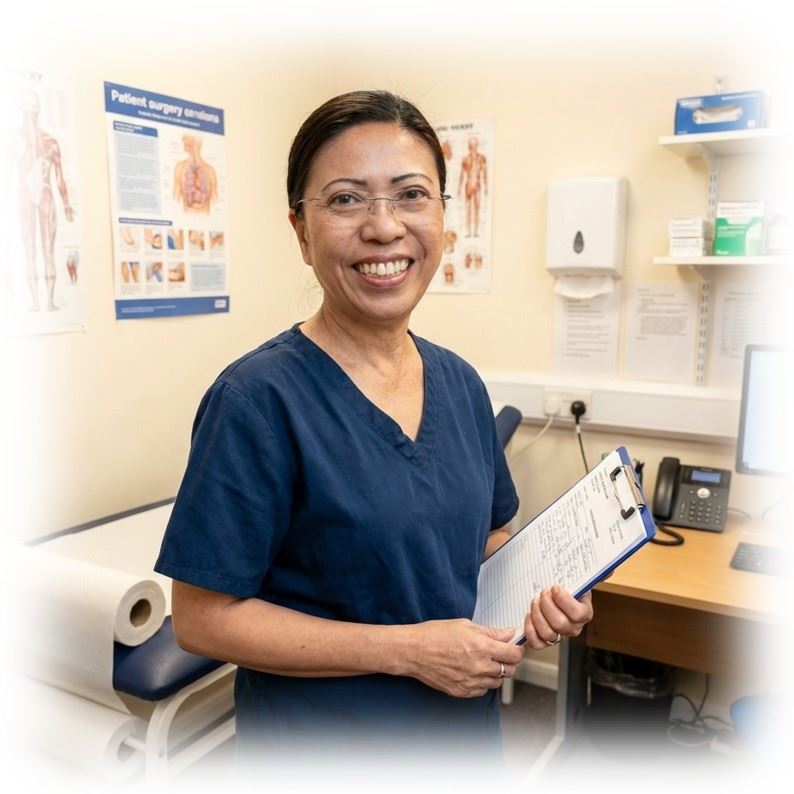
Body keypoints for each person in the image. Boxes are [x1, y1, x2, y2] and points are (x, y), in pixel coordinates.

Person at [154, 90, 592, 776]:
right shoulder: (257, 400)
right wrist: (407, 650)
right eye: (346, 200)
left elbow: (489, 536)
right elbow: (203, 618)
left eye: (412, 195)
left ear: (444, 217)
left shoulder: (461, 384)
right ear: (301, 231)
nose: (385, 227)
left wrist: (545, 592)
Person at [13, 89, 75, 312]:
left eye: (32, 106)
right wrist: (30, 137)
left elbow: (60, 176)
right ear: (21, 108)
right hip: (25, 190)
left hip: (45, 190)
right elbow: (20, 164)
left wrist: (67, 203)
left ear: (38, 109)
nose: (29, 110)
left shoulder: (50, 142)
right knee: (28, 246)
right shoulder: (14, 138)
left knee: (47, 246)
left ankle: (49, 300)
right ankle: (35, 301)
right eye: (25, 106)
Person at [173, 133, 218, 213]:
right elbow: (174, 201)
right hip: (185, 221)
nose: (183, 139)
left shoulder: (210, 171)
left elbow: (216, 202)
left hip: (207, 221)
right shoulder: (180, 167)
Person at [457, 136, 488, 238]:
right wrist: (459, 188)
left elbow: (485, 173)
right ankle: (468, 232)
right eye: (471, 145)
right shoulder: (465, 159)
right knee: (468, 209)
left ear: (477, 145)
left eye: (474, 145)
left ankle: (475, 232)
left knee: (477, 209)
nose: (472, 147)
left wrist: (486, 186)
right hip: (468, 185)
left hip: (477, 185)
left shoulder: (481, 158)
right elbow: (462, 174)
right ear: (469, 146)